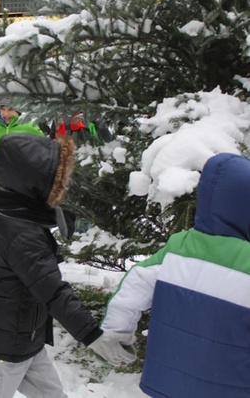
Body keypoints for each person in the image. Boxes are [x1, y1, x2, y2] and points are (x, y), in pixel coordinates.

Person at [0, 133, 135, 398]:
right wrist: (93, 335)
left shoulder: (9, 207)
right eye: (58, 182)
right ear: (33, 184)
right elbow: (53, 291)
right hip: (4, 344)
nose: (64, 188)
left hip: (24, 334)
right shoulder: (22, 235)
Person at [100, 152, 250, 398]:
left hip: (167, 381)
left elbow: (134, 285)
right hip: (230, 385)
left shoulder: (177, 248)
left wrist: (117, 331)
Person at [0, 98, 43, 191]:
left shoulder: (30, 127)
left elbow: (42, 153)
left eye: (10, 109)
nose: (6, 114)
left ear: (18, 110)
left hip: (23, 186)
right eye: (2, 109)